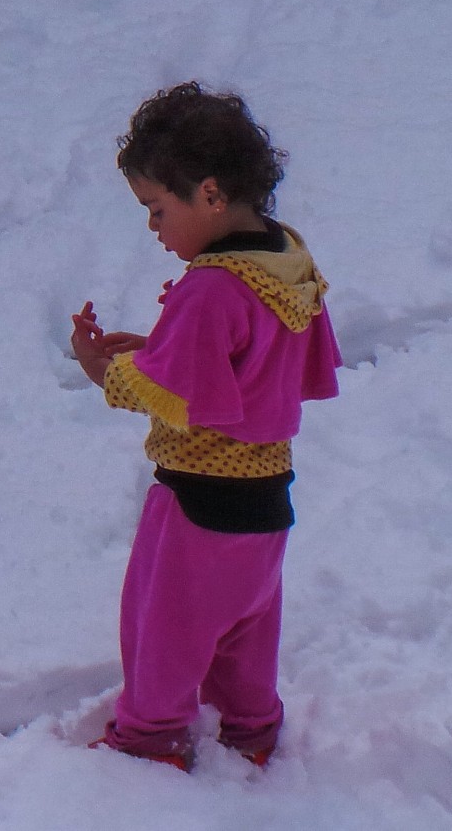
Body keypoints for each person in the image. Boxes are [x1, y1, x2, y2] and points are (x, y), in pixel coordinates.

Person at [68, 82, 343, 771]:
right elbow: (242, 363)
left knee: (164, 622)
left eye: (157, 211)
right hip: (267, 496)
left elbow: (177, 392)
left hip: (197, 498)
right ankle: (251, 730)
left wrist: (105, 370)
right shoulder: (286, 259)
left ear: (212, 196)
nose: (155, 230)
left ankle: (152, 738)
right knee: (245, 623)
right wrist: (160, 350)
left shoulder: (212, 287)